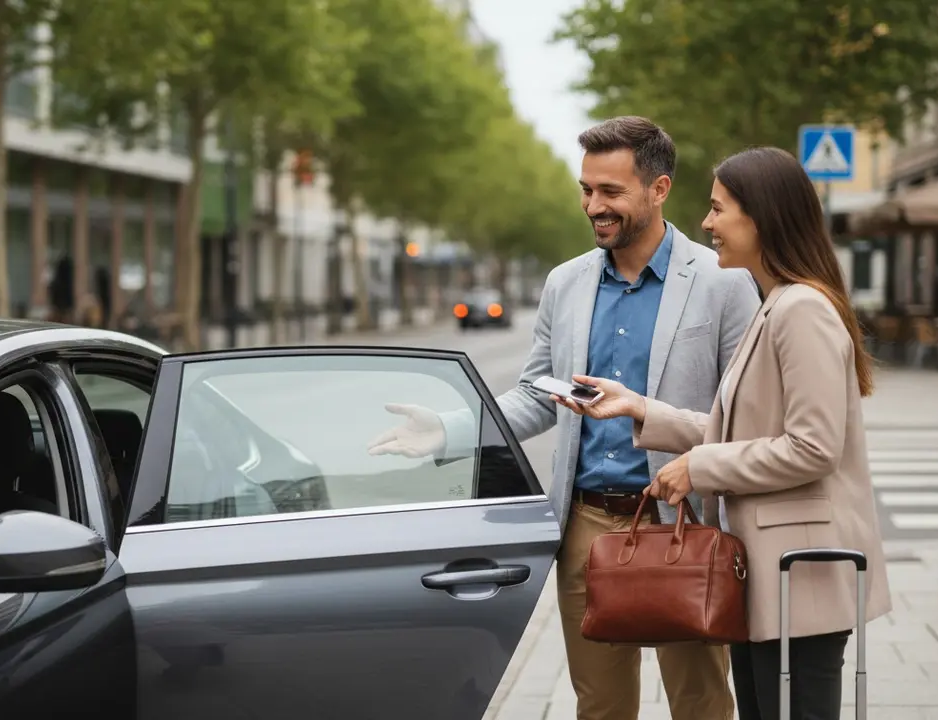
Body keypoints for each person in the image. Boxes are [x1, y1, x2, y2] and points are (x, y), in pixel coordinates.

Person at [368, 116, 758, 720]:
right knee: (599, 707)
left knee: (701, 702)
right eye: (586, 190)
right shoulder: (566, 284)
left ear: (659, 189)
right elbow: (535, 394)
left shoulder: (722, 281)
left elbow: (743, 417)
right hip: (588, 527)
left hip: (685, 522)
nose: (594, 206)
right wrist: (450, 427)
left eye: (611, 192)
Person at [561, 146, 891, 720]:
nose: (708, 224)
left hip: (801, 575)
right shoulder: (777, 304)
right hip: (771, 576)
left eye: (719, 209)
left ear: (762, 216)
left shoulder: (801, 310)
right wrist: (640, 409)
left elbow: (813, 447)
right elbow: (733, 427)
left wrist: (700, 467)